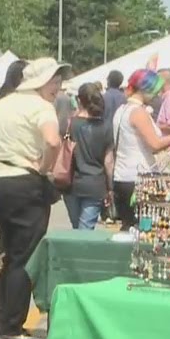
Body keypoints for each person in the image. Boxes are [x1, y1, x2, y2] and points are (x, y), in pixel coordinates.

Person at [0, 58, 69, 339]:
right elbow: (53, 141)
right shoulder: (41, 107)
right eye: (53, 82)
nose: (57, 88)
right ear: (39, 82)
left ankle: (4, 321)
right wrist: (45, 167)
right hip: (24, 181)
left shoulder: (7, 103)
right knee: (25, 257)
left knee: (10, 255)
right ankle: (11, 326)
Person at [109, 69, 170, 231]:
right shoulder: (138, 112)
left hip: (122, 176)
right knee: (144, 230)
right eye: (155, 92)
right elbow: (156, 145)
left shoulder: (121, 111)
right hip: (139, 178)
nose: (156, 96)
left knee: (129, 226)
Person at [63, 82, 114, 231]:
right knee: (85, 229)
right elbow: (109, 162)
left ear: (79, 101)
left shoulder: (70, 124)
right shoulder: (106, 126)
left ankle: (74, 253)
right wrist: (110, 188)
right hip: (95, 183)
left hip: (70, 182)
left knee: (76, 227)